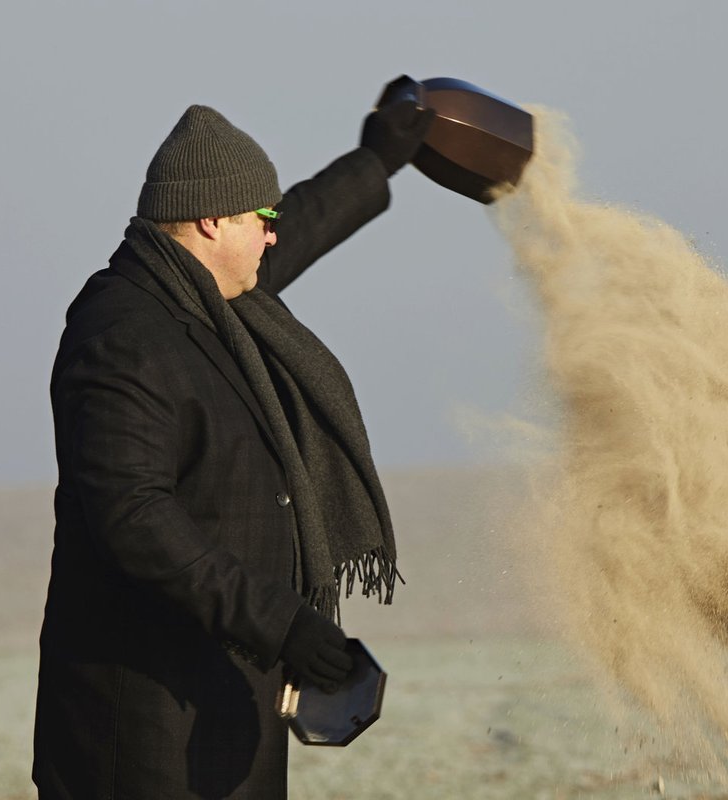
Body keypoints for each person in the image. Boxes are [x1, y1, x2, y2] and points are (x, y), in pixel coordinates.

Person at [33, 84, 434, 799]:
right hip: (142, 743)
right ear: (212, 221)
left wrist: (378, 161)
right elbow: (133, 518)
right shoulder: (124, 335)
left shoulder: (210, 300)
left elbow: (299, 228)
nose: (274, 234)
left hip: (220, 724)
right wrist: (285, 623)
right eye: (262, 218)